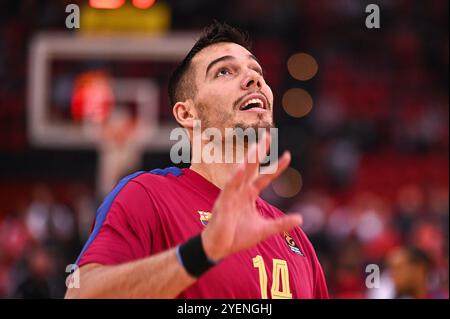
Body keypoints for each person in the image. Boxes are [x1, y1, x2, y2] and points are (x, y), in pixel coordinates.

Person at [65, 21, 328, 299]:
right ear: (187, 114)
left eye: (257, 71)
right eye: (224, 71)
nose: (255, 80)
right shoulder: (146, 197)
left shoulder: (295, 239)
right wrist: (201, 252)